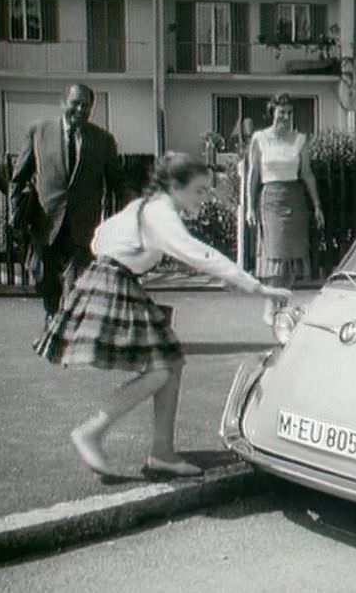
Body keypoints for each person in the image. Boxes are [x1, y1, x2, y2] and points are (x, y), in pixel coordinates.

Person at [33, 152, 292, 479]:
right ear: (174, 186)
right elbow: (200, 254)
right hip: (114, 283)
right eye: (199, 190)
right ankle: (91, 431)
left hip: (112, 277)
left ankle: (162, 452)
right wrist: (258, 288)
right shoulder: (161, 213)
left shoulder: (144, 207)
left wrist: (126, 254)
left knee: (171, 362)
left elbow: (99, 237)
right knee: (159, 371)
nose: (206, 197)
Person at [9, 83, 132, 328]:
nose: (80, 109)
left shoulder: (103, 140)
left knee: (77, 279)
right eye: (75, 103)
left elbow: (117, 182)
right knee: (43, 276)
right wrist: (15, 212)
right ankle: (51, 311)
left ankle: (64, 324)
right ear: (63, 102)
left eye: (85, 105)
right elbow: (19, 177)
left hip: (83, 222)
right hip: (46, 220)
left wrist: (126, 217)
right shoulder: (39, 132)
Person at [245, 93, 325, 325]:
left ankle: (284, 306)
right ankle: (270, 305)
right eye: (281, 112)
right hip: (270, 199)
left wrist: (317, 205)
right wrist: (250, 207)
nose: (285, 117)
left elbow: (307, 174)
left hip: (295, 199)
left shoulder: (299, 139)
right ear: (273, 113)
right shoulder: (259, 138)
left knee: (291, 257)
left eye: (289, 113)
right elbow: (253, 175)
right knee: (275, 255)